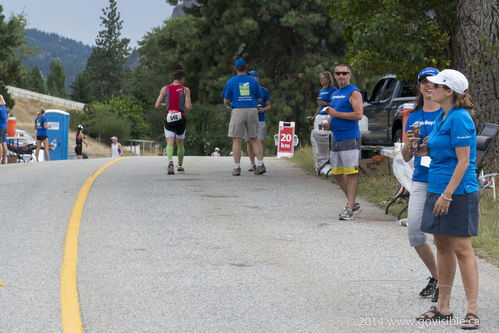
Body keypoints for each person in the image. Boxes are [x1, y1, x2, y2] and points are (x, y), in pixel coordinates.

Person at [416, 69, 480, 330]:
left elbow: (464, 162)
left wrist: (447, 195)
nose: (433, 87)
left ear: (449, 91)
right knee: (441, 247)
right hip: (437, 188)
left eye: (438, 84)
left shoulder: (460, 118)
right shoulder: (444, 117)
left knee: (462, 250)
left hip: (457, 192)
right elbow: (439, 151)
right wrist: (418, 147)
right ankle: (443, 306)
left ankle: (472, 311)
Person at [401, 67, 441, 302]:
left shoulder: (448, 113)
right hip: (420, 179)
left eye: (433, 82)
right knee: (415, 232)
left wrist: (432, 145)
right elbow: (407, 157)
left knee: (442, 237)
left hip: (443, 180)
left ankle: (443, 285)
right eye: (424, 82)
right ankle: (437, 277)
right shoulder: (414, 115)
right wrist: (409, 145)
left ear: (440, 86)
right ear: (419, 86)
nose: (428, 85)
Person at [325, 64, 363, 220]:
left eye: (344, 73)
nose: (341, 76)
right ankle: (352, 203)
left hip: (350, 137)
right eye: (338, 73)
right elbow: (333, 114)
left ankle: (349, 208)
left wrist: (335, 114)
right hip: (336, 137)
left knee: (351, 173)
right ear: (334, 76)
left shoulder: (354, 92)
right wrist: (328, 122)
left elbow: (358, 114)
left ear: (349, 75)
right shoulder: (335, 94)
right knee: (337, 172)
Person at [222, 58, 264, 176]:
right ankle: (260, 164)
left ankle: (237, 167)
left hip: (238, 110)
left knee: (237, 139)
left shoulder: (231, 81)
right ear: (246, 68)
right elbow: (260, 98)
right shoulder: (253, 81)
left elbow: (226, 100)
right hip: (252, 110)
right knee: (254, 138)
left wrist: (230, 105)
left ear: (235, 68)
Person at [155, 69, 192, 175]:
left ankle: (170, 161)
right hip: (180, 118)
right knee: (180, 143)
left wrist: (166, 105)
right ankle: (180, 166)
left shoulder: (165, 89)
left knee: (169, 142)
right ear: (181, 78)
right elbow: (188, 107)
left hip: (169, 117)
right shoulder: (185, 90)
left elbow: (157, 105)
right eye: (184, 78)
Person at [246, 70, 271, 172]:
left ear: (257, 78)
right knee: (249, 142)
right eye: (249, 77)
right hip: (248, 118)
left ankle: (260, 162)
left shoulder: (263, 90)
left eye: (253, 77)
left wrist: (263, 109)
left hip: (260, 118)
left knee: (260, 141)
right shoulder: (245, 89)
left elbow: (269, 106)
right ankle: (252, 164)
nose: (251, 78)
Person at [0, 95, 8, 164]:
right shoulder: (5, 108)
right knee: (4, 142)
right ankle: (4, 159)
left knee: (0, 143)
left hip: (0, 126)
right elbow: (7, 118)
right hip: (5, 126)